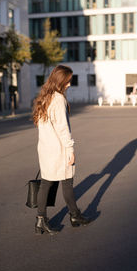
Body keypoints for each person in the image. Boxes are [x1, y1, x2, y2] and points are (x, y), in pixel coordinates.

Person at [32, 65, 90, 235]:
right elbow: (63, 128)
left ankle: (40, 221)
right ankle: (75, 216)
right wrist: (70, 148)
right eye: (68, 81)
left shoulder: (45, 97)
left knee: (46, 183)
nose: (69, 84)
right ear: (60, 81)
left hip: (45, 148)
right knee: (67, 181)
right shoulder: (58, 99)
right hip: (58, 148)